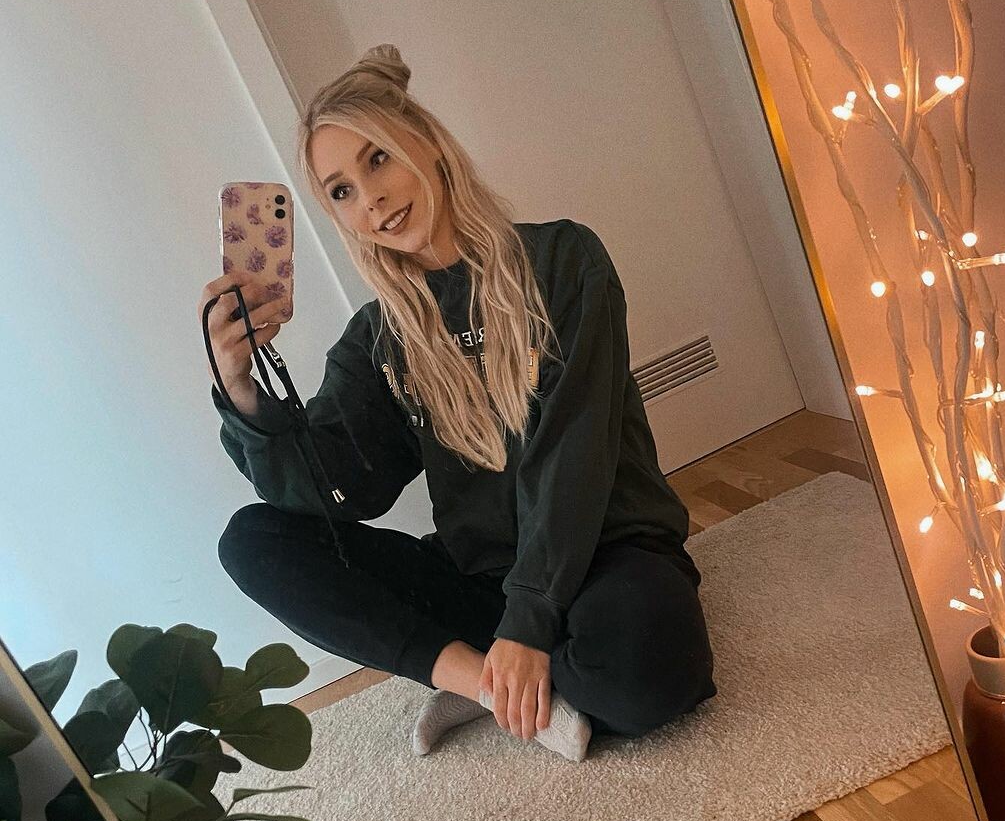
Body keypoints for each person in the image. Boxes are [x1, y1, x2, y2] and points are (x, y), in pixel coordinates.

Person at [201, 44, 716, 763]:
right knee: (251, 541)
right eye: (342, 190)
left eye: (378, 159)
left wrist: (529, 624)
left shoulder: (564, 262)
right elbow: (342, 489)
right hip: (481, 580)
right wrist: (242, 390)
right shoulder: (379, 338)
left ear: (428, 143)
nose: (371, 198)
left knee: (652, 676)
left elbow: (575, 453)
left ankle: (517, 672)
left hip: (605, 549)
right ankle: (481, 683)